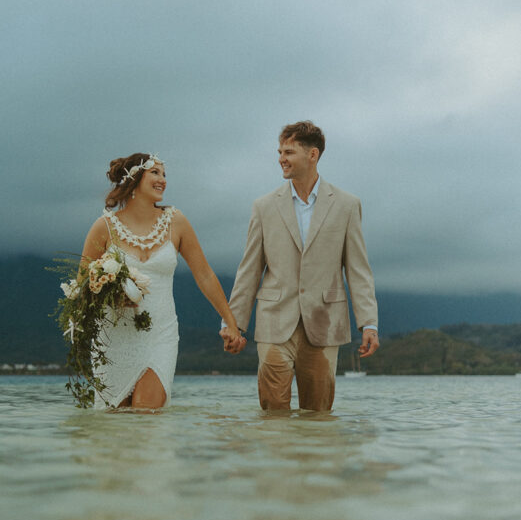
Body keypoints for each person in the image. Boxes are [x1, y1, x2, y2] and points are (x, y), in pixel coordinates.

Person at [221, 121, 378, 411]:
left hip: (325, 322)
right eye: (280, 151)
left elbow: (358, 270)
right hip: (274, 321)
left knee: (318, 415)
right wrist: (234, 323)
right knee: (272, 414)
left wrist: (368, 323)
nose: (281, 158)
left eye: (289, 152)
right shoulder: (264, 206)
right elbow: (249, 269)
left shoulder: (346, 205)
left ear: (312, 155)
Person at [80, 152, 245, 409]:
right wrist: (110, 293)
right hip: (113, 337)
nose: (163, 180)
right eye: (155, 172)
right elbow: (83, 285)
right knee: (113, 429)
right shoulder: (104, 227)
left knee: (146, 415)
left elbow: (204, 274)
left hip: (160, 334)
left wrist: (231, 323)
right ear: (134, 178)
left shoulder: (176, 222)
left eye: (164, 174)